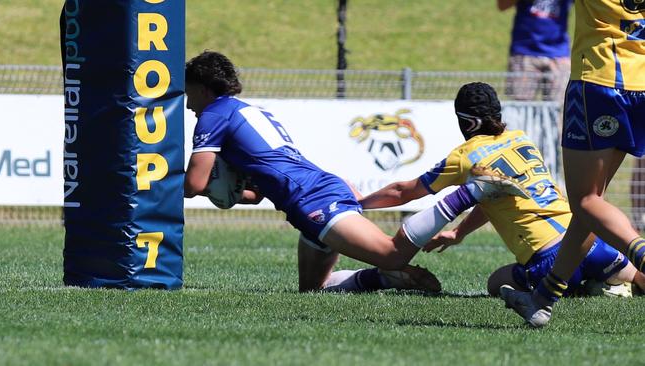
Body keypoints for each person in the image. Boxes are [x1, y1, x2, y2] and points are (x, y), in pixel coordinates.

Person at [183, 51, 520, 293]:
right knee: (313, 290)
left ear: (202, 88)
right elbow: (257, 194)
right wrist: (230, 194)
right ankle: (383, 279)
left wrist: (185, 188)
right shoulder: (248, 112)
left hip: (313, 200)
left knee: (393, 253)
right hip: (314, 195)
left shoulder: (213, 114)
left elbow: (195, 184)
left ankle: (471, 193)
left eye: (188, 93)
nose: (187, 104)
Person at [359, 81, 645, 299]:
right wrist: (459, 233)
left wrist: (360, 203)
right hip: (586, 240)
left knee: (496, 282)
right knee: (635, 276)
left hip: (547, 259)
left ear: (465, 122)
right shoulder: (522, 140)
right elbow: (494, 197)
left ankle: (579, 289)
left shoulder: (465, 156)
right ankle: (608, 283)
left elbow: (403, 191)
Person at [500, 1, 645, 327]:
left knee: (585, 200)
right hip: (641, 82)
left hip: (600, 82)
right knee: (591, 208)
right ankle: (542, 300)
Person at [498, 0, 573, 101]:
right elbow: (502, 5)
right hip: (524, 53)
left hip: (559, 54)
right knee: (520, 110)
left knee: (560, 110)